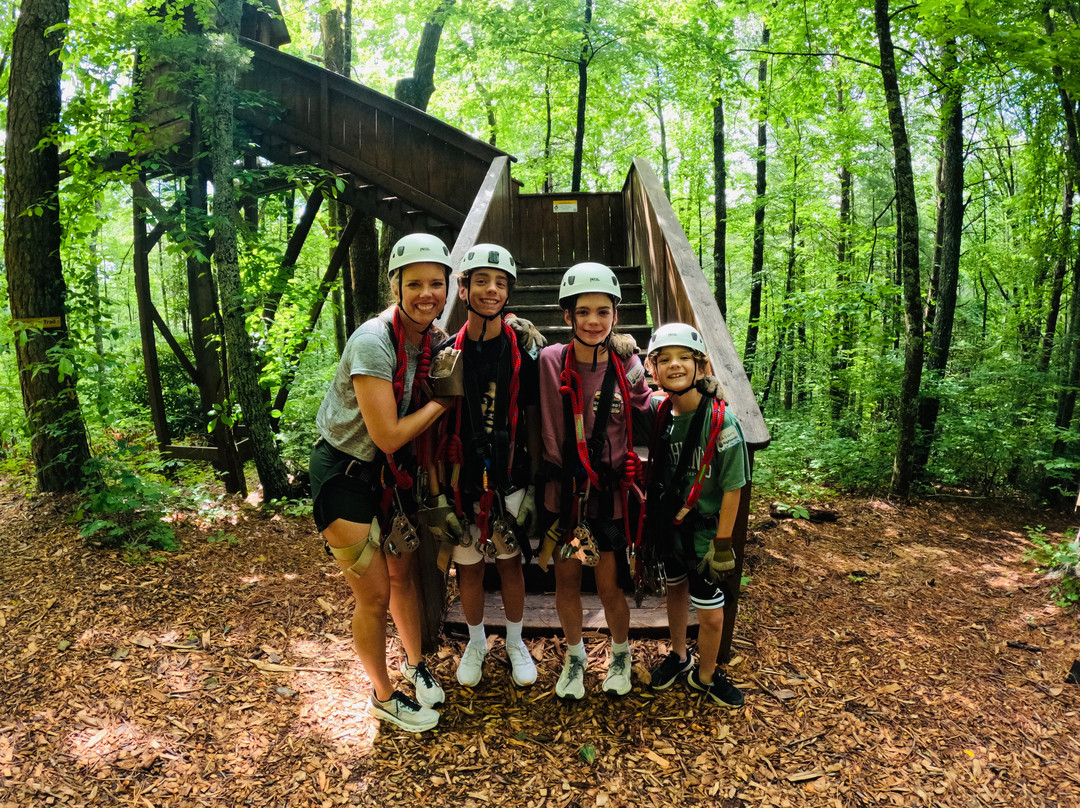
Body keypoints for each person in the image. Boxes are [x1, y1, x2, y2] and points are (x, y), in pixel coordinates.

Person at [308, 232, 461, 732]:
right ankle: (383, 695)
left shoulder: (429, 340)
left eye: (436, 284)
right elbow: (389, 435)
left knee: (402, 574)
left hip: (385, 479)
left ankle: (415, 663)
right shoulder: (374, 342)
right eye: (414, 283)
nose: (426, 294)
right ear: (395, 286)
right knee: (372, 595)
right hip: (344, 476)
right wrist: (441, 403)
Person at [431, 243, 543, 690]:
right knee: (470, 567)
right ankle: (476, 642)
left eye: (499, 283)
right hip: (463, 480)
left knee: (511, 564)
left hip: (510, 476)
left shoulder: (524, 349)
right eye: (480, 281)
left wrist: (532, 483)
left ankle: (514, 641)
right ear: (463, 288)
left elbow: (533, 415)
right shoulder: (448, 350)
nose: (490, 290)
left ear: (509, 292)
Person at [537, 262, 652, 700]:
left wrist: (701, 389)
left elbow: (648, 409)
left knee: (609, 583)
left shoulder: (627, 364)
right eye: (582, 311)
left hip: (607, 494)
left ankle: (619, 654)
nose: (592, 321)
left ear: (615, 316)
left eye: (603, 312)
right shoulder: (550, 361)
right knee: (565, 580)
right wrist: (511, 324)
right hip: (563, 491)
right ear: (567, 316)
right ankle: (575, 655)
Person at [642, 322, 747, 707]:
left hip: (704, 537)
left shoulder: (721, 423)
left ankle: (705, 675)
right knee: (674, 592)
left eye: (685, 358)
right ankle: (679, 655)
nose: (675, 365)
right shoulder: (661, 414)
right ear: (653, 369)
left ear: (701, 366)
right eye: (664, 359)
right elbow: (625, 380)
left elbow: (733, 486)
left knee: (712, 615)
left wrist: (722, 544)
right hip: (671, 531)